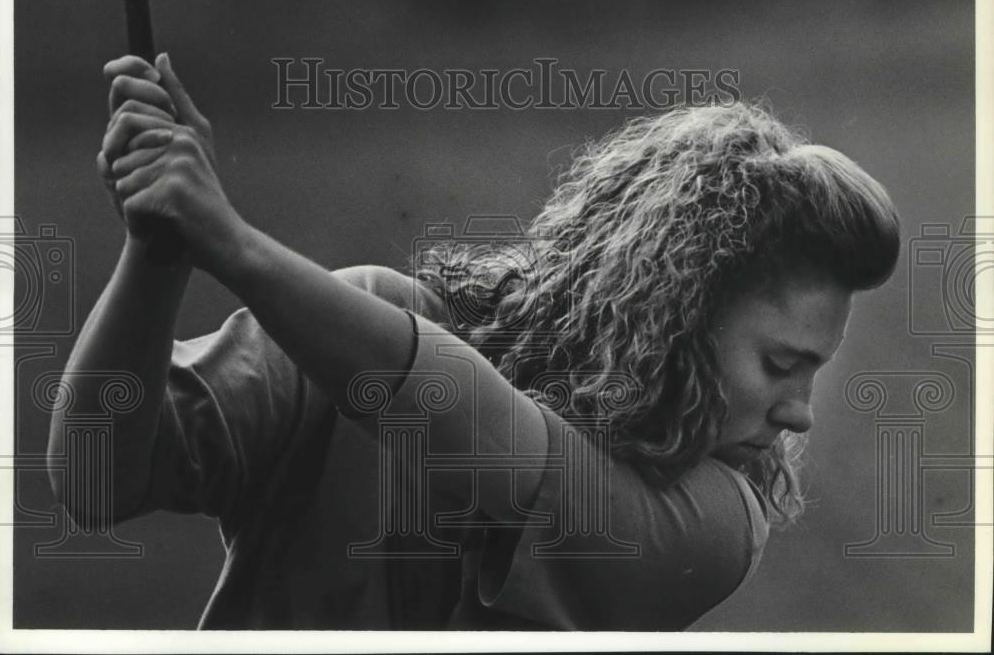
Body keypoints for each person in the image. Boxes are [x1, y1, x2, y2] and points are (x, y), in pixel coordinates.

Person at [48, 53, 900, 630]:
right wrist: (160, 250)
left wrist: (230, 241)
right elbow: (90, 476)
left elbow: (484, 436)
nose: (799, 416)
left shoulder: (717, 524)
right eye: (781, 364)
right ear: (676, 319)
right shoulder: (354, 326)